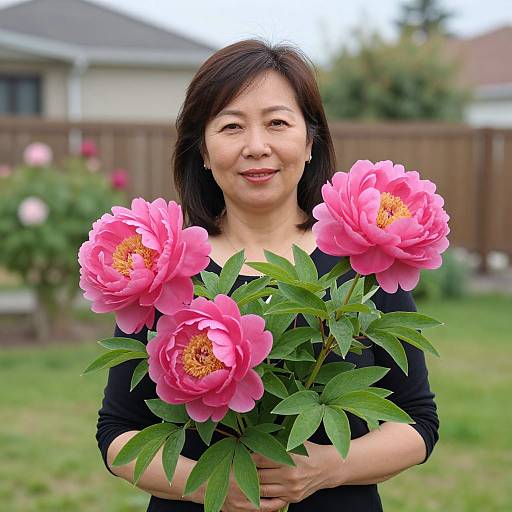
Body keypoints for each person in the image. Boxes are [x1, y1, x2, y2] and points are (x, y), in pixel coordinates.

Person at [96, 39, 439, 511]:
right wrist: (216, 484)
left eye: (277, 123)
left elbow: (418, 423)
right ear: (202, 151)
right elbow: (117, 434)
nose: (257, 147)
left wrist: (325, 469)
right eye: (232, 127)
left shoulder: (362, 262)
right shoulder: (163, 268)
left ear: (309, 140)